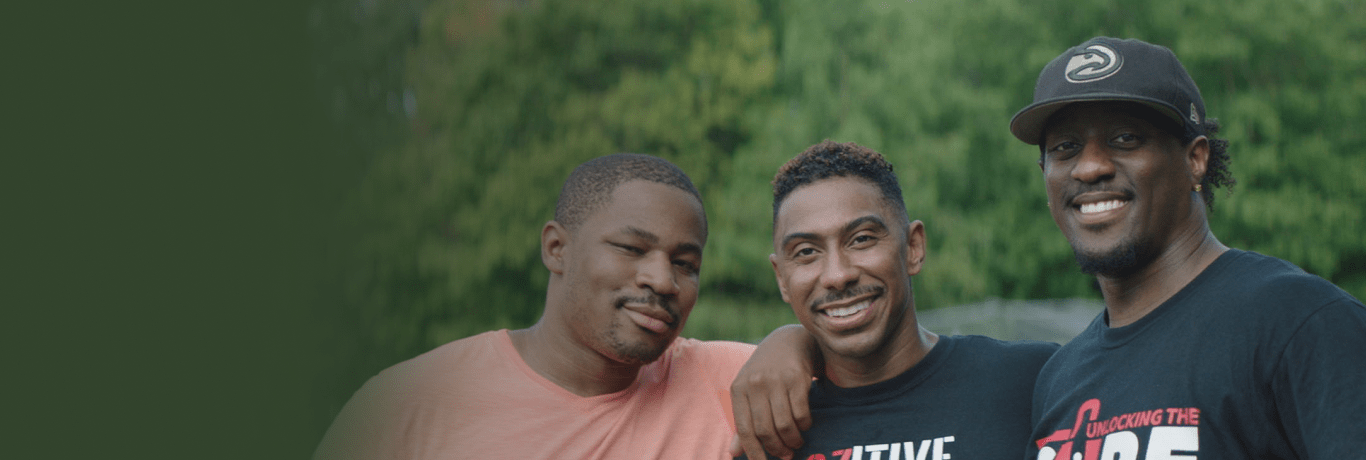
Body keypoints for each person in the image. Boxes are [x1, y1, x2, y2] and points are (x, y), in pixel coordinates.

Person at [1009, 36, 1366, 459]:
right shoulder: (1059, 380)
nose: (1090, 167)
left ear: (1195, 158)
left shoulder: (1298, 322)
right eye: (1065, 148)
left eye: (1125, 138)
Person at [314, 153, 756, 459]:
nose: (663, 280)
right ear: (556, 248)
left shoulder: (730, 382)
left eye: (685, 263)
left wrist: (792, 343)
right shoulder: (409, 406)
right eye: (631, 248)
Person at [735, 140, 1058, 460]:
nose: (837, 275)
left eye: (861, 239)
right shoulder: (772, 435)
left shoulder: (1032, 380)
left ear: (913, 248)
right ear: (781, 278)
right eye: (806, 252)